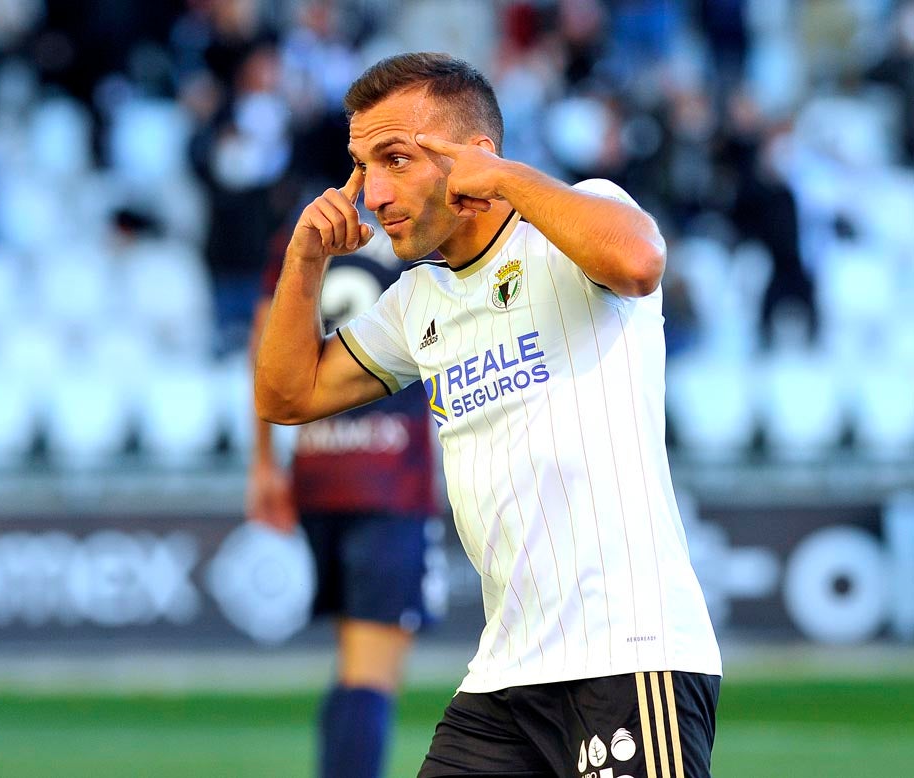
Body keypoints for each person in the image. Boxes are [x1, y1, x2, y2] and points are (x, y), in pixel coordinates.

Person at [253, 52, 721, 778]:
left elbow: (638, 262)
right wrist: (305, 259)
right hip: (504, 676)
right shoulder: (418, 302)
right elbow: (286, 398)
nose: (371, 193)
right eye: (361, 166)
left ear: (472, 154)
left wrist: (503, 177)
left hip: (629, 655)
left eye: (395, 160)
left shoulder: (576, 217)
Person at [247, 217, 444, 778]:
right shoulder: (421, 233)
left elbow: (266, 342)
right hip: (391, 478)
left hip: (317, 467)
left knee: (351, 663)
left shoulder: (307, 232)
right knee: (372, 672)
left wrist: (263, 463)